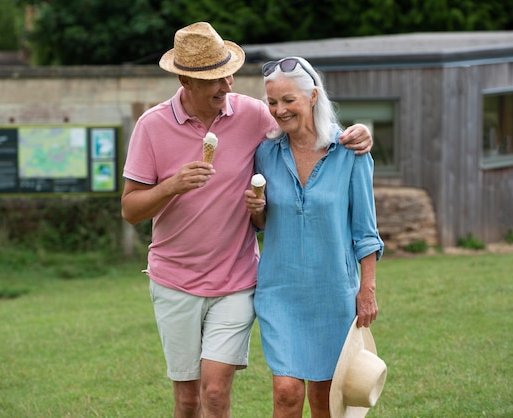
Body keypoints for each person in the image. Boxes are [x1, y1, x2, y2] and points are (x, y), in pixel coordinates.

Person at [121, 22, 373, 418]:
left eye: (228, 74)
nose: (226, 85)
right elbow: (130, 209)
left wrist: (357, 133)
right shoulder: (151, 126)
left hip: (236, 280)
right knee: (188, 400)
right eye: (214, 80)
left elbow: (306, 126)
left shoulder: (253, 114)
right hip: (174, 279)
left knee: (216, 393)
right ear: (186, 80)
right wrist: (172, 186)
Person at [243, 56, 384, 417]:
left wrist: (366, 289)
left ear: (313, 97)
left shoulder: (350, 153)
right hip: (281, 292)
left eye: (288, 100)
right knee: (286, 393)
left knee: (325, 400)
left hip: (333, 294)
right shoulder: (266, 153)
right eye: (272, 102)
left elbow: (365, 231)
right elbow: (261, 223)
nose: (279, 110)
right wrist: (255, 207)